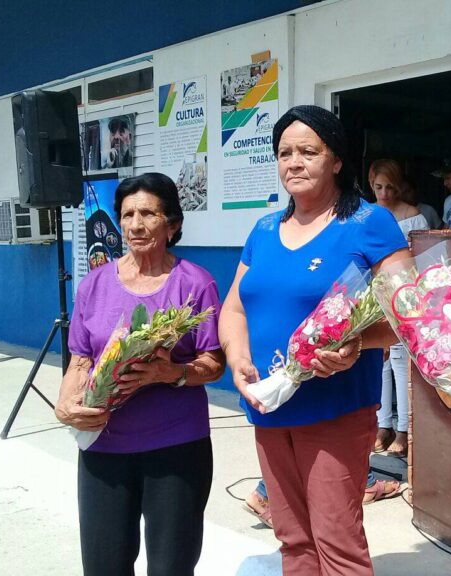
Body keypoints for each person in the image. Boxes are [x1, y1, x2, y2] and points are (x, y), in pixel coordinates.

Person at [219, 105, 409, 576]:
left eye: (308, 151)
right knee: (293, 540)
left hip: (335, 410)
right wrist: (237, 356)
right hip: (269, 407)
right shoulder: (264, 230)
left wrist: (357, 343)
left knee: (336, 545)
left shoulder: (369, 222)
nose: (294, 162)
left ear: (337, 159)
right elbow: (234, 309)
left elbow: (412, 313)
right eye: (285, 153)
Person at [55, 172, 226, 576]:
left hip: (175, 447)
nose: (135, 224)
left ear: (173, 224)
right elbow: (79, 360)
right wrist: (65, 405)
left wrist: (170, 373)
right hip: (103, 448)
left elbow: (213, 363)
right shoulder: (94, 285)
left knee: (171, 567)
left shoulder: (195, 284)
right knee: (103, 566)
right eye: (127, 214)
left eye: (148, 213)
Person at [367, 159, 429, 457]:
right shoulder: (366, 215)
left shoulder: (413, 216)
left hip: (404, 295)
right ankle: (383, 425)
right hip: (372, 297)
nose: (384, 194)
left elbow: (422, 260)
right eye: (379, 187)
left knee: (401, 362)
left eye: (390, 187)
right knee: (379, 362)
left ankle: (404, 429)